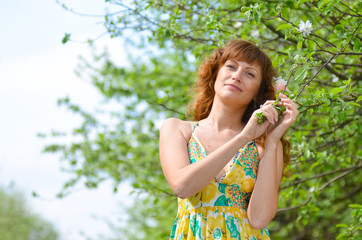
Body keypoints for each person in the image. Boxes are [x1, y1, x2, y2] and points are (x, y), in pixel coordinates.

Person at [159, 40, 299, 240]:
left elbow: (259, 220)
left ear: (257, 93)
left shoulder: (263, 145)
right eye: (231, 66)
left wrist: (273, 140)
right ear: (217, 73)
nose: (236, 76)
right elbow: (182, 187)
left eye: (250, 74)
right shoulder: (178, 129)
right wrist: (244, 137)